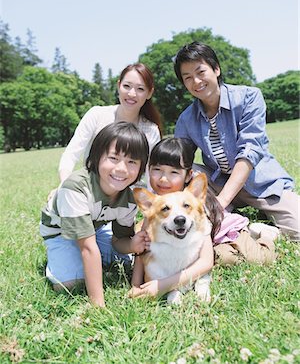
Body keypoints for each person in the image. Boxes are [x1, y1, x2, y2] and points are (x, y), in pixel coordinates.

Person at [174, 42, 299, 242]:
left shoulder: (249, 97)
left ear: (216, 69)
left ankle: (256, 226)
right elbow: (177, 158)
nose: (196, 81)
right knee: (179, 171)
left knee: (298, 229)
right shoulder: (186, 118)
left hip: (259, 183)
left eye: (200, 72)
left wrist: (220, 203)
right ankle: (236, 223)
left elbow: (249, 151)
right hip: (219, 181)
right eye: (188, 78)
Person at [129, 138, 279, 299]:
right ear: (148, 170)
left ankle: (266, 234)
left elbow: (206, 262)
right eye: (157, 169)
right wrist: (135, 286)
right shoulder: (155, 208)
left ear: (188, 176)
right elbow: (141, 252)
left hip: (224, 230)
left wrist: (164, 285)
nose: (163, 178)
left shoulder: (194, 206)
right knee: (225, 258)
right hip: (191, 245)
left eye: (174, 172)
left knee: (258, 258)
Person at [40, 122, 151, 308]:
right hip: (61, 232)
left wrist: (132, 244)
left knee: (122, 263)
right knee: (69, 284)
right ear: (97, 157)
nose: (122, 169)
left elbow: (120, 239)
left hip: (96, 228)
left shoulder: (132, 193)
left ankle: (92, 248)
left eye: (132, 162)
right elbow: (88, 249)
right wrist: (99, 306)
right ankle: (57, 258)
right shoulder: (75, 188)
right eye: (114, 158)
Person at [58, 62, 162, 184]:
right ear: (118, 86)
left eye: (140, 89)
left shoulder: (150, 130)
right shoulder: (96, 115)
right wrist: (64, 187)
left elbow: (151, 171)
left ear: (149, 93)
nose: (131, 94)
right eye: (127, 86)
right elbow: (71, 155)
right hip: (92, 187)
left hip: (128, 193)